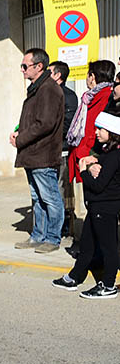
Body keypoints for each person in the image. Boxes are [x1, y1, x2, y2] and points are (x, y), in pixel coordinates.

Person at [53, 112, 120, 299]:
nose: (97, 132)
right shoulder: (108, 153)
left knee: (109, 248)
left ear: (112, 132)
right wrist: (92, 163)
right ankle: (74, 277)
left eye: (101, 129)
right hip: (97, 208)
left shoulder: (114, 156)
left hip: (105, 208)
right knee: (87, 246)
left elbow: (99, 186)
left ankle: (108, 286)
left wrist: (83, 171)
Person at [11, 48, 65, 253]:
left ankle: (52, 238)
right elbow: (33, 120)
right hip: (33, 154)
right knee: (37, 198)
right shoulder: (38, 88)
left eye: (25, 66)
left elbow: (45, 123)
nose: (22, 70)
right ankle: (38, 235)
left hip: (42, 154)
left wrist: (21, 139)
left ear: (39, 66)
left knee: (50, 197)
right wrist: (18, 134)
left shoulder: (48, 89)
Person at [48, 60, 80, 240]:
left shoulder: (67, 96)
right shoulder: (47, 94)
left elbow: (67, 126)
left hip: (62, 151)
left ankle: (64, 226)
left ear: (58, 76)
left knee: (61, 190)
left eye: (49, 72)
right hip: (48, 151)